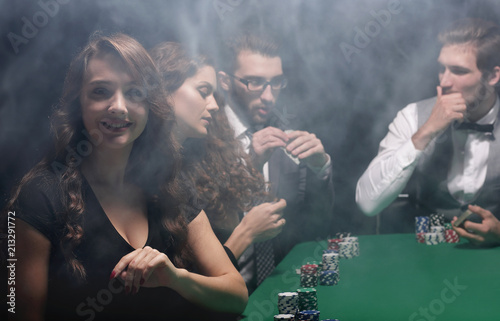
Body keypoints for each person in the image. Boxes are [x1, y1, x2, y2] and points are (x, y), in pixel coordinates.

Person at [3, 33, 247, 321]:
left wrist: (177, 278)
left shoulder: (171, 186)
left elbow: (237, 296)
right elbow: (15, 312)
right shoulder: (40, 195)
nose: (118, 106)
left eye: (134, 93)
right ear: (77, 104)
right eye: (100, 91)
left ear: (149, 105)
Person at [150, 41, 286, 293]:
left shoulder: (196, 158)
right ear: (164, 91)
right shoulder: (150, 174)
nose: (213, 104)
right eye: (203, 91)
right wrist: (247, 232)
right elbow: (191, 278)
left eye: (213, 93)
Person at [356, 18, 500, 246]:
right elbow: (368, 203)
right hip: (428, 261)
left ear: (492, 76)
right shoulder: (413, 116)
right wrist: (425, 132)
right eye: (442, 69)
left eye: (459, 71)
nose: (444, 81)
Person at [217, 32, 335, 280]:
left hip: (279, 295)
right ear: (225, 81)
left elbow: (317, 224)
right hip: (221, 300)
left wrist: (320, 168)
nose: (269, 96)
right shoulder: (206, 138)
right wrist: (250, 167)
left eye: (276, 82)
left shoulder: (287, 139)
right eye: (254, 82)